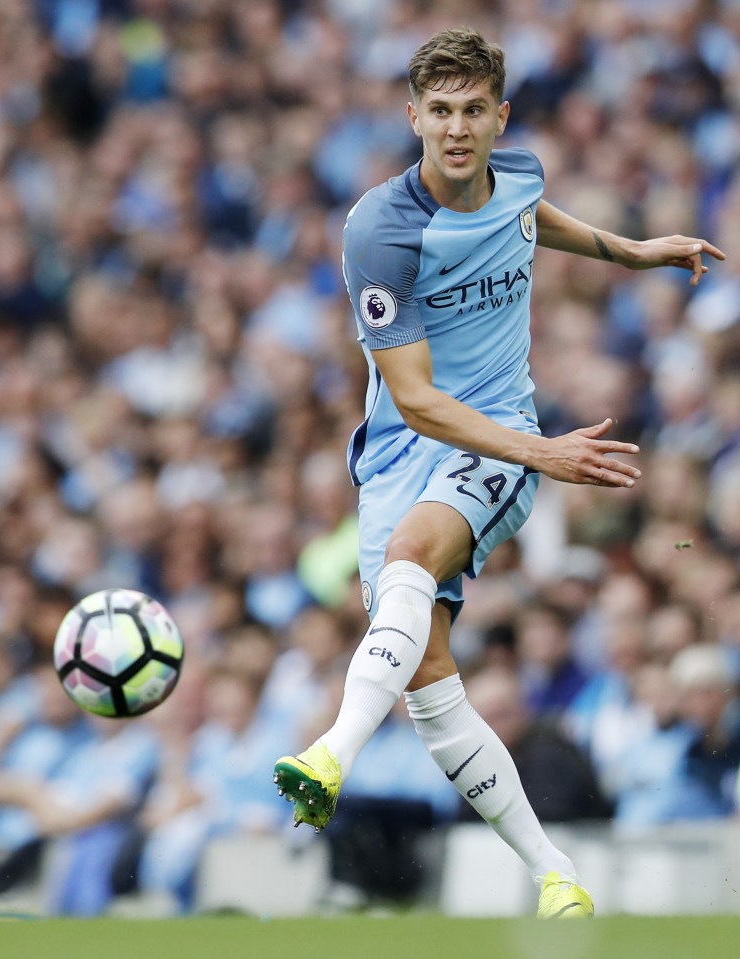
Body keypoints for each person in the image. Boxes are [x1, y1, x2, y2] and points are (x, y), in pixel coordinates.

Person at [273, 27, 725, 918]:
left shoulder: (519, 172)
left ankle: (330, 750)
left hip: (499, 435)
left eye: (473, 110)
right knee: (427, 680)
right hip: (407, 446)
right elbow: (413, 401)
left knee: (411, 558)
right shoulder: (380, 229)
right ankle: (556, 872)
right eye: (439, 111)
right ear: (412, 117)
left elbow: (526, 218)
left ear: (499, 116)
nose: (456, 128)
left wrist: (628, 251)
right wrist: (552, 455)